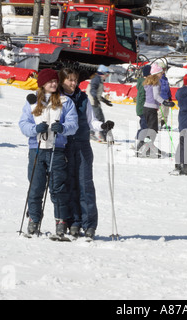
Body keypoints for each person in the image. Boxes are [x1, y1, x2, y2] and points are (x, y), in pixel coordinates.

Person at [19, 68, 78, 237]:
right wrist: (34, 129)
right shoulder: (32, 102)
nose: (54, 84)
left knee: (58, 188)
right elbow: (23, 124)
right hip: (37, 149)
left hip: (56, 150)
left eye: (55, 81)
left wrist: (64, 128)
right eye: (50, 81)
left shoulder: (66, 101)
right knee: (35, 186)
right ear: (42, 84)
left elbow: (73, 124)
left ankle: (61, 221)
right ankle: (34, 220)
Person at [58, 68, 114, 240]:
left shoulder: (82, 98)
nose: (73, 83)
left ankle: (89, 224)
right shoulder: (57, 98)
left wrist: (102, 126)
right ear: (62, 81)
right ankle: (73, 221)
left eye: (75, 80)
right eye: (69, 80)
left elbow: (91, 121)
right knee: (69, 185)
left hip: (82, 146)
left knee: (85, 184)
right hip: (65, 146)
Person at [137, 63, 174, 158]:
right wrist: (165, 102)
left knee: (150, 129)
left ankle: (144, 146)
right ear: (157, 73)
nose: (162, 74)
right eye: (160, 73)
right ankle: (146, 149)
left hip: (146, 108)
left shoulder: (148, 82)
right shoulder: (156, 83)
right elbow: (156, 96)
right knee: (153, 130)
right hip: (151, 109)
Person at [86, 64, 112, 142]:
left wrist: (104, 100)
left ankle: (94, 133)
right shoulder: (96, 79)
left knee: (97, 118)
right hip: (92, 102)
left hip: (94, 101)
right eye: (106, 74)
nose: (107, 76)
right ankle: (100, 135)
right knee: (99, 118)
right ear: (102, 73)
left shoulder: (98, 79)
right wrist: (95, 99)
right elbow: (92, 90)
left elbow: (97, 93)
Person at [135, 64, 150, 150]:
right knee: (145, 126)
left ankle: (145, 143)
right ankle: (140, 143)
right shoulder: (144, 83)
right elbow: (142, 96)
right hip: (143, 108)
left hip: (143, 108)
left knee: (146, 126)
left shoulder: (143, 82)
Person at [156, 61, 173, 130]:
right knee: (161, 112)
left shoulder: (165, 78)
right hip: (161, 98)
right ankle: (156, 124)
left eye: (165, 69)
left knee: (166, 112)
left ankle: (164, 124)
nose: (164, 71)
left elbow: (167, 88)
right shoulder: (158, 78)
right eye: (163, 69)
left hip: (166, 97)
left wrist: (169, 96)